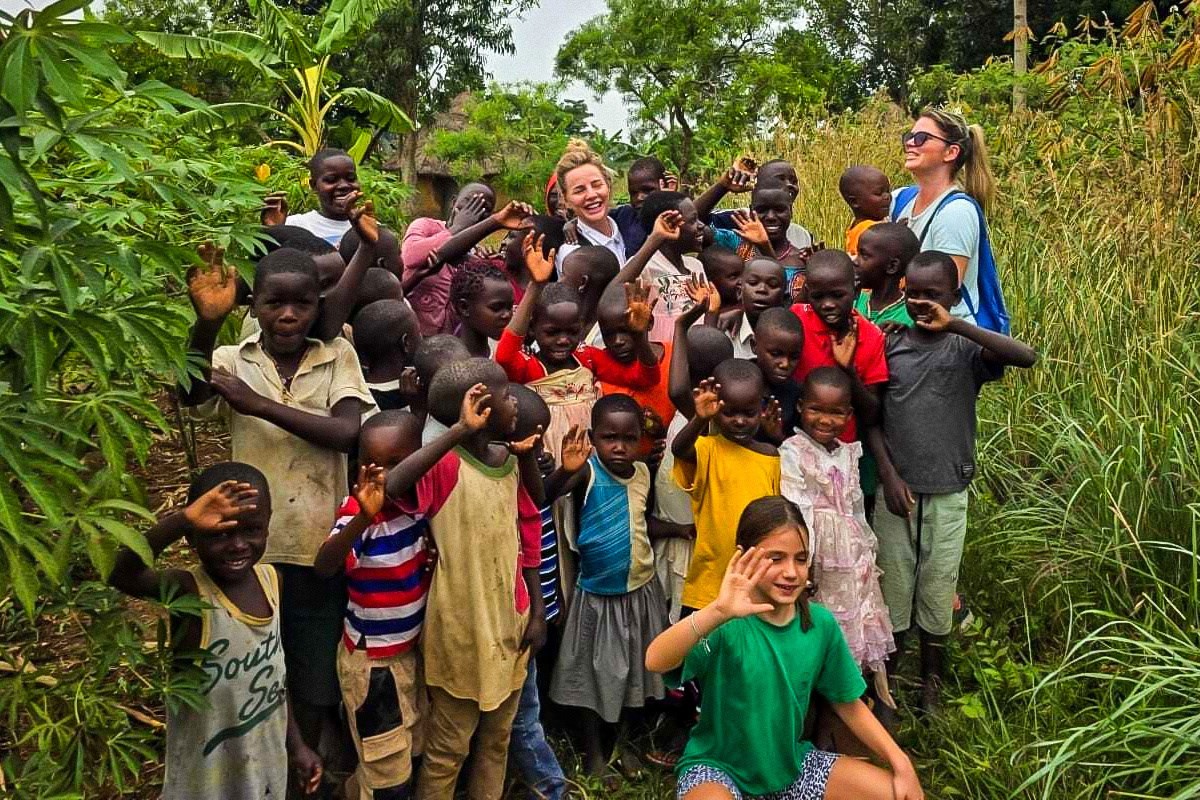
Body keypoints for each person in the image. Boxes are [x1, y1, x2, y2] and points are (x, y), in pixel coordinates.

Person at [180, 247, 376, 759]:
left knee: (313, 660)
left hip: (318, 544)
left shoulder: (338, 356)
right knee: (258, 656)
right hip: (250, 547)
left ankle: (305, 757)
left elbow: (346, 431)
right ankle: (261, 756)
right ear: (254, 306)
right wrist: (206, 324)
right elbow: (189, 392)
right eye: (273, 303)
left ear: (319, 305)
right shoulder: (230, 359)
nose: (288, 315)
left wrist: (257, 404)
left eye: (302, 304)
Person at [644, 496, 925, 800]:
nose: (791, 572)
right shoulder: (724, 624)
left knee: (892, 793)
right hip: (717, 771)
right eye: (775, 558)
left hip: (792, 768)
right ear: (744, 558)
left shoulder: (820, 624)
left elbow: (848, 703)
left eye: (800, 559)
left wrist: (901, 763)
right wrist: (717, 612)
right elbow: (655, 660)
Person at [869, 251, 1037, 714]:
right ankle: (886, 686)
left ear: (955, 296)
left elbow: (1026, 356)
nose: (923, 303)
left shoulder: (966, 348)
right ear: (902, 293)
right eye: (914, 294)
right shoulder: (892, 345)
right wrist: (888, 473)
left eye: (934, 295)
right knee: (895, 590)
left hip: (948, 489)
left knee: (939, 588)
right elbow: (872, 418)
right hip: (897, 492)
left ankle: (931, 684)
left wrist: (957, 325)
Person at [108, 463, 323, 800]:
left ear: (268, 524)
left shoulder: (271, 582)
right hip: (206, 780)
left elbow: (274, 682)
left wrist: (297, 746)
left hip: (265, 767)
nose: (237, 545)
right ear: (192, 538)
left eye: (251, 530)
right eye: (219, 533)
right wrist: (181, 519)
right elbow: (123, 575)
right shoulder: (190, 592)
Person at [383, 360, 545, 800]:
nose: (516, 403)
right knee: (449, 748)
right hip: (461, 628)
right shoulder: (447, 467)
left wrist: (538, 610)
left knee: (497, 740)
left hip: (509, 623)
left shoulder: (511, 463)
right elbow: (393, 486)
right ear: (480, 406)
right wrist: (456, 430)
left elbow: (532, 524)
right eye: (507, 395)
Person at [548, 396, 670, 777]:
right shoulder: (587, 473)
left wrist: (679, 530)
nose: (619, 447)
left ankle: (623, 745)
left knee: (635, 671)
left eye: (629, 439)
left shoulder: (644, 475)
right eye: (609, 438)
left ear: (641, 441)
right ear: (593, 438)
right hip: (598, 596)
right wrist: (563, 472)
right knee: (592, 677)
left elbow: (642, 521)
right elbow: (541, 497)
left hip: (640, 591)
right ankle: (594, 754)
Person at [313, 412, 430, 800]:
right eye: (373, 464)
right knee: (388, 776)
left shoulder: (420, 509)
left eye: (399, 463)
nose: (384, 476)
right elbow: (326, 565)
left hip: (409, 653)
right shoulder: (358, 514)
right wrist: (362, 518)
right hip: (372, 665)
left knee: (406, 752)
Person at [780, 368, 894, 697]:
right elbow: (796, 509)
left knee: (853, 625)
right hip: (818, 560)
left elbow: (856, 507)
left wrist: (867, 553)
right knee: (818, 623)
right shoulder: (793, 450)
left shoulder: (849, 453)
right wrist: (803, 562)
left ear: (848, 415)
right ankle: (817, 711)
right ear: (801, 407)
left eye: (835, 413)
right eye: (817, 409)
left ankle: (850, 702)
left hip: (851, 556)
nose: (826, 420)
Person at [495, 233, 659, 461]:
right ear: (533, 330)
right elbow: (504, 356)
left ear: (581, 327)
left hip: (594, 460)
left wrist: (640, 336)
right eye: (552, 332)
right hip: (549, 461)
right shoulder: (530, 366)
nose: (563, 340)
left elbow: (645, 378)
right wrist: (535, 286)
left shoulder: (587, 357)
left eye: (572, 332)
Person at [672, 361, 781, 613]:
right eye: (729, 412)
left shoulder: (770, 456)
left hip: (756, 583)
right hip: (710, 587)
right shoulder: (707, 449)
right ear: (715, 409)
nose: (739, 421)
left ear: (761, 410)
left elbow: (776, 518)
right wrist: (699, 419)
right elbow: (679, 449)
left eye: (749, 413)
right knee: (704, 650)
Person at [657, 283, 734, 623]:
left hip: (691, 542)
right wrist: (707, 316)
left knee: (687, 616)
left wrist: (683, 326)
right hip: (688, 540)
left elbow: (679, 386)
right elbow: (689, 376)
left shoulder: (697, 417)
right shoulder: (702, 416)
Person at [505, 384, 568, 800]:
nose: (540, 448)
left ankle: (541, 782)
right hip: (521, 614)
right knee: (522, 712)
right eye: (530, 439)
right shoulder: (502, 486)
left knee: (525, 706)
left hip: (537, 610)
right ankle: (548, 783)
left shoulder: (532, 476)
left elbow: (543, 498)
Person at [892, 109, 999, 326]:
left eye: (921, 138)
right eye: (909, 137)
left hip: (949, 343)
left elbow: (941, 296)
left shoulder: (956, 213)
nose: (910, 143)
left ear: (950, 152)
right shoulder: (899, 200)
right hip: (910, 331)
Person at [791, 250, 887, 444]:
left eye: (837, 295)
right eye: (818, 296)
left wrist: (848, 371)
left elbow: (872, 414)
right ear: (807, 292)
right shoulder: (796, 320)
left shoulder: (871, 336)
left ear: (856, 290)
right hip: (791, 442)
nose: (827, 304)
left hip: (841, 451)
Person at [400, 182, 496, 336]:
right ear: (453, 202)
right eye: (469, 204)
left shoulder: (477, 255)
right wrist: (457, 228)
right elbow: (410, 256)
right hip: (411, 334)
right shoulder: (426, 226)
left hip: (449, 344)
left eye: (483, 210)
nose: (474, 213)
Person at [635, 191, 707, 343]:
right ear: (670, 224)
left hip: (699, 355)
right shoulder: (644, 268)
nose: (702, 226)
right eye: (693, 220)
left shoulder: (696, 266)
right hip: (665, 359)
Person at [553, 139, 627, 273]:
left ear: (608, 186)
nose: (591, 195)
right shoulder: (573, 254)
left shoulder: (628, 224)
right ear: (566, 200)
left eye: (597, 184)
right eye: (579, 190)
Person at [351, 299, 422, 412]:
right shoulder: (419, 394)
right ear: (406, 343)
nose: (422, 338)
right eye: (419, 333)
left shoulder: (354, 399)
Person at [283, 148, 361, 246]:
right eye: (331, 180)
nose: (344, 185)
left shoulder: (372, 227)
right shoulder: (294, 225)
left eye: (351, 178)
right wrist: (275, 228)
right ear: (314, 185)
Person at [750, 307, 805, 441]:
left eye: (794, 357)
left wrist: (777, 436)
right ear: (754, 345)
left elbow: (799, 451)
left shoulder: (796, 395)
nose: (785, 364)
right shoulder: (737, 380)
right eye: (775, 354)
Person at [853, 223, 920, 330]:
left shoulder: (910, 316)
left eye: (864, 255)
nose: (855, 261)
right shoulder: (853, 302)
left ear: (892, 266)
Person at [410, 334, 471, 445]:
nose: (464, 384)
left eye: (468, 371)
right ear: (425, 387)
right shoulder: (432, 441)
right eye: (447, 382)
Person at [449, 259, 514, 357]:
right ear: (464, 307)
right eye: (496, 308)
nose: (507, 315)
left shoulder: (506, 353)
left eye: (509, 308)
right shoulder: (449, 362)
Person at [725, 257, 787, 360]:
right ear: (740, 290)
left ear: (784, 295)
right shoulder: (724, 330)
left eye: (772, 285)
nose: (762, 289)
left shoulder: (792, 333)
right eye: (753, 283)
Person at [839, 165, 892, 257]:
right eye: (879, 193)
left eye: (888, 191)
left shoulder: (856, 227)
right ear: (854, 202)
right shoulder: (871, 230)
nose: (887, 197)